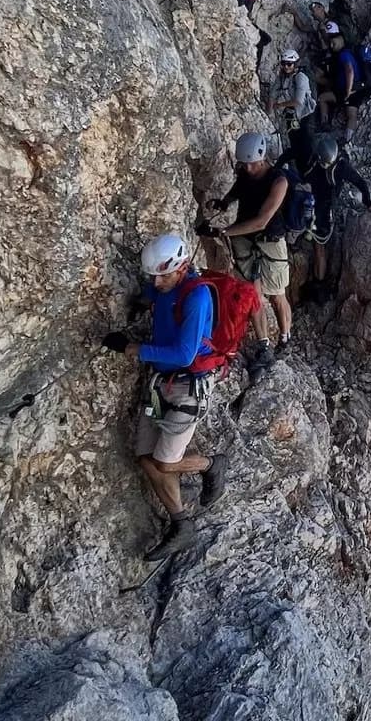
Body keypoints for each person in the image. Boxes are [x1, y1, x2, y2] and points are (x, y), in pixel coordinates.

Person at [101, 234, 230, 561]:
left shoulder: (197, 296)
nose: (156, 282)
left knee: (165, 461)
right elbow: (152, 297)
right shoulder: (163, 287)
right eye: (153, 276)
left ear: (182, 267)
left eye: (163, 275)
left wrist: (132, 348)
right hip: (161, 383)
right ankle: (181, 525)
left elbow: (184, 354)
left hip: (190, 384)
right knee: (146, 457)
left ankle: (211, 464)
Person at [202, 133, 292, 362]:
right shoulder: (245, 173)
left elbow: (263, 220)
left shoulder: (279, 181)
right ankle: (264, 345)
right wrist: (224, 203)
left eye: (253, 163)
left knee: (277, 294)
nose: (249, 168)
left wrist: (223, 232)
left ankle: (285, 338)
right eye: (245, 163)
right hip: (245, 238)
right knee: (252, 294)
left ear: (262, 156)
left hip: (269, 238)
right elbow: (238, 189)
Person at [276, 134, 371, 300]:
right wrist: (279, 166)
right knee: (317, 246)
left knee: (319, 248)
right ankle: (315, 278)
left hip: (323, 208)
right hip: (310, 199)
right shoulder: (317, 158)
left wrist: (368, 202)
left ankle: (318, 285)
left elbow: (360, 182)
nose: (326, 166)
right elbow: (292, 153)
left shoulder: (340, 167)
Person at [317, 21, 369, 140]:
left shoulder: (343, 55)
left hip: (346, 90)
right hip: (357, 89)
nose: (331, 45)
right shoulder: (349, 51)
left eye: (332, 42)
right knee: (352, 114)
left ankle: (324, 123)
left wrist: (347, 90)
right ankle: (348, 139)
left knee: (322, 98)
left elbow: (349, 71)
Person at [268, 49, 316, 161]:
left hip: (306, 114)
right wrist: (268, 114)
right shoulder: (282, 78)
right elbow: (272, 94)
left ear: (295, 64)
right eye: (283, 64)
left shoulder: (301, 77)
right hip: (293, 113)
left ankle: (309, 164)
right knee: (295, 142)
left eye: (289, 64)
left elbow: (298, 101)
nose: (286, 67)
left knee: (306, 143)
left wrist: (280, 105)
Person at [236, 0, 281, 68]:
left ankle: (254, 67)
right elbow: (238, 2)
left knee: (265, 39)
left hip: (243, 18)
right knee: (263, 39)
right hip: (239, 18)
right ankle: (254, 69)